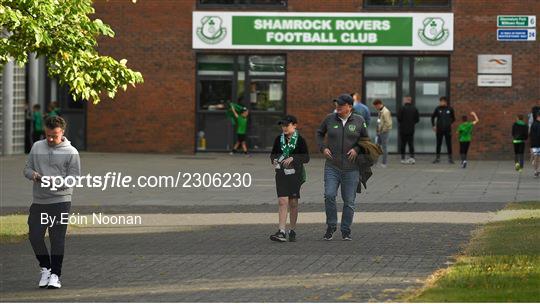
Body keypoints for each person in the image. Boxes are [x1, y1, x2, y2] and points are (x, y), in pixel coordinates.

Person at [23, 116, 80, 289]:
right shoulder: (37, 146)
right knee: (34, 236)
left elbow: (74, 178)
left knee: (57, 239)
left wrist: (56, 183)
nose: (50, 139)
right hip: (39, 201)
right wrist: (35, 176)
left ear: (62, 132)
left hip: (60, 201)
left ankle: (56, 274)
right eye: (47, 135)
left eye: (54, 135)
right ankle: (46, 268)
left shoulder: (71, 152)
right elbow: (26, 169)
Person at [316, 94, 368, 241]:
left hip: (352, 168)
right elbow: (319, 133)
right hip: (332, 166)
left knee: (349, 201)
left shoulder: (359, 120)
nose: (337, 107)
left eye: (340, 105)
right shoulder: (329, 119)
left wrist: (357, 149)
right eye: (336, 104)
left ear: (349, 107)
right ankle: (331, 225)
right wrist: (323, 148)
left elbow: (366, 140)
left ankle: (346, 230)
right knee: (329, 195)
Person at [269, 115, 310, 242]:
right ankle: (281, 231)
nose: (284, 128)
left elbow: (306, 158)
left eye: (287, 125)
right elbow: (273, 155)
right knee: (282, 201)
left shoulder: (300, 140)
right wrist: (274, 160)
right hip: (281, 174)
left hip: (295, 175)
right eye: (283, 126)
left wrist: (293, 158)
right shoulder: (278, 139)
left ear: (295, 125)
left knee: (293, 203)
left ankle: (292, 229)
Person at [431, 96, 456, 164]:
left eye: (442, 101)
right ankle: (437, 158)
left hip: (447, 130)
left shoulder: (450, 109)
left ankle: (450, 159)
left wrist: (449, 123)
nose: (441, 103)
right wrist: (433, 126)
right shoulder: (437, 109)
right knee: (438, 144)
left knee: (448, 144)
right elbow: (432, 117)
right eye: (440, 101)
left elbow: (453, 118)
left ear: (445, 102)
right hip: (439, 129)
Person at [396, 96, 419, 164]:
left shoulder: (401, 108)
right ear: (410, 100)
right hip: (411, 129)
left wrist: (403, 123)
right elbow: (417, 119)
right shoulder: (414, 109)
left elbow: (399, 118)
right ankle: (412, 157)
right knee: (411, 144)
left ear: (405, 100)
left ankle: (403, 158)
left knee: (403, 144)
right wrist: (412, 123)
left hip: (403, 129)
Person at [373, 99, 392, 168]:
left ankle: (384, 163)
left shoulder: (385, 112)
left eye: (375, 106)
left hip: (384, 132)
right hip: (379, 132)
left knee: (384, 147)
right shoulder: (381, 111)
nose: (375, 108)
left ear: (378, 104)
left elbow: (388, 123)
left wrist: (383, 130)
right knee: (377, 147)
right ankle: (375, 162)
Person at [530, 113, 540, 177]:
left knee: (536, 157)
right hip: (538, 144)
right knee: (537, 158)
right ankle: (537, 171)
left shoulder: (533, 124)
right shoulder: (538, 124)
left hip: (534, 144)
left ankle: (536, 171)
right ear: (538, 117)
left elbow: (531, 134)